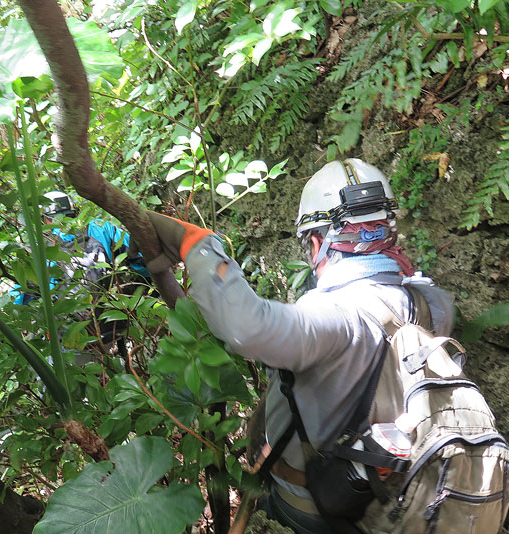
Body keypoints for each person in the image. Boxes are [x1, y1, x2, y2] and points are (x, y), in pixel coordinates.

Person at [141, 159, 456, 533]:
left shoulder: (335, 317)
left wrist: (198, 245)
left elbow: (245, 327)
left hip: (316, 511)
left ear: (317, 242)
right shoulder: (431, 303)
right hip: (397, 502)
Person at [11, 191, 150, 352]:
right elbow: (142, 261)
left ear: (44, 220)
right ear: (75, 213)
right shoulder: (101, 228)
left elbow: (21, 304)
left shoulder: (39, 251)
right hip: (113, 329)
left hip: (70, 340)